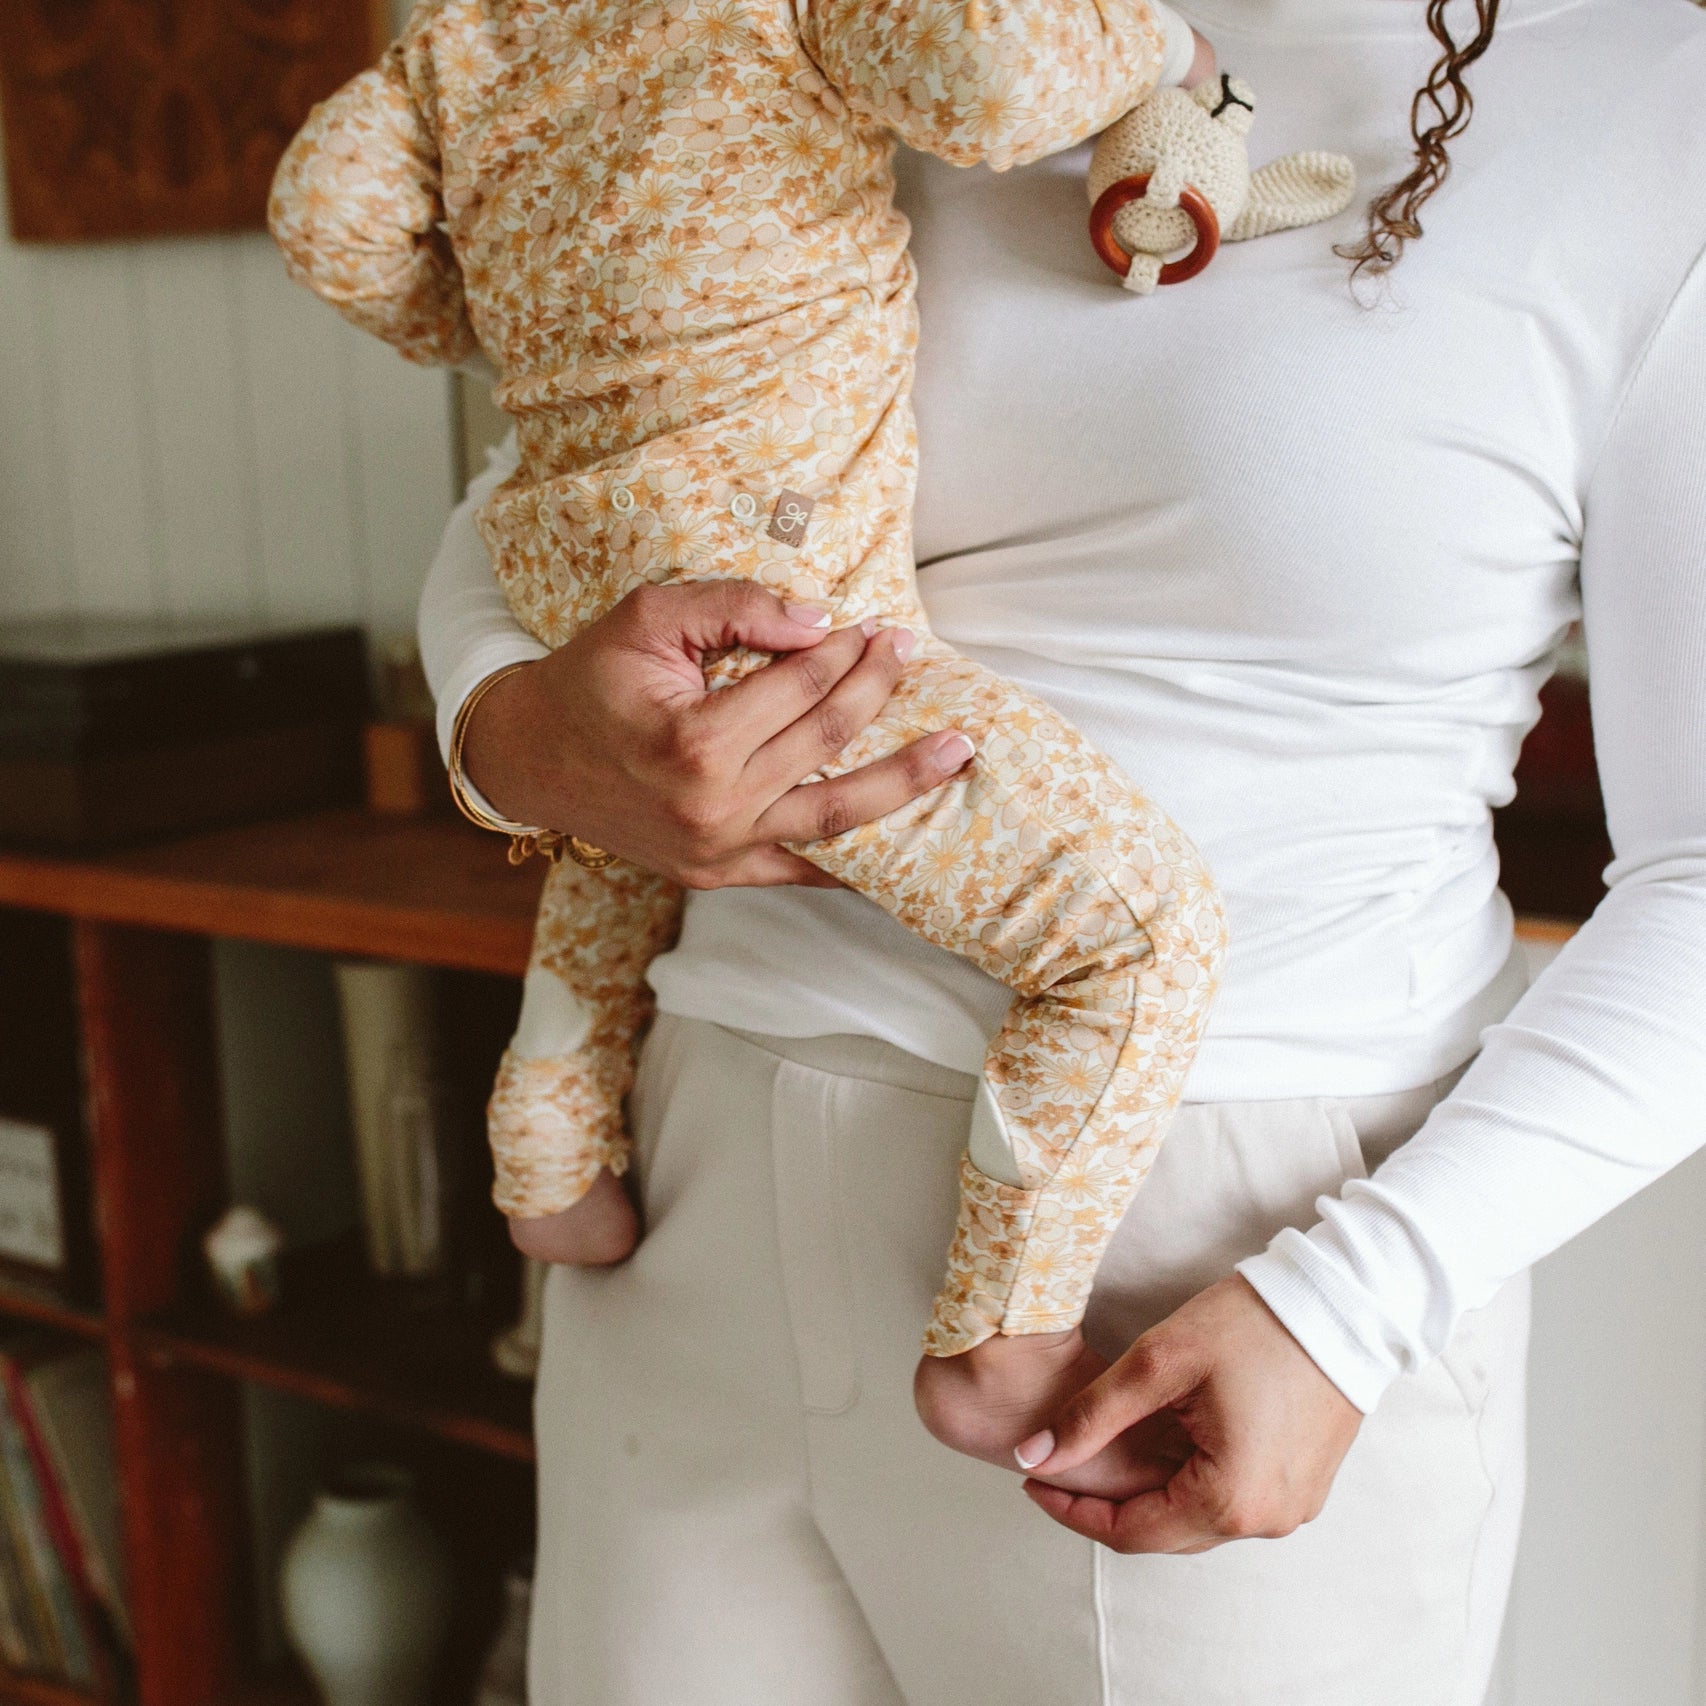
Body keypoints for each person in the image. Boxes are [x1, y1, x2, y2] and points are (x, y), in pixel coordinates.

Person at [422, 0, 1706, 1695]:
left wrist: (1349, 1306)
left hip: (1209, 1269)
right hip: (692, 1175)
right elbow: (570, 463)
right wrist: (513, 733)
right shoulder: (887, 26)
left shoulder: (1656, 108)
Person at [269, 0, 1244, 1451]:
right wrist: (1163, 52)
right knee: (1137, 935)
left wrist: (497, 325)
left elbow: (324, 214)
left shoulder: (461, 36)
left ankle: (548, 1148)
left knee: (628, 816)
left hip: (568, 555)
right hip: (775, 609)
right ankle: (1002, 1331)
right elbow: (988, 78)